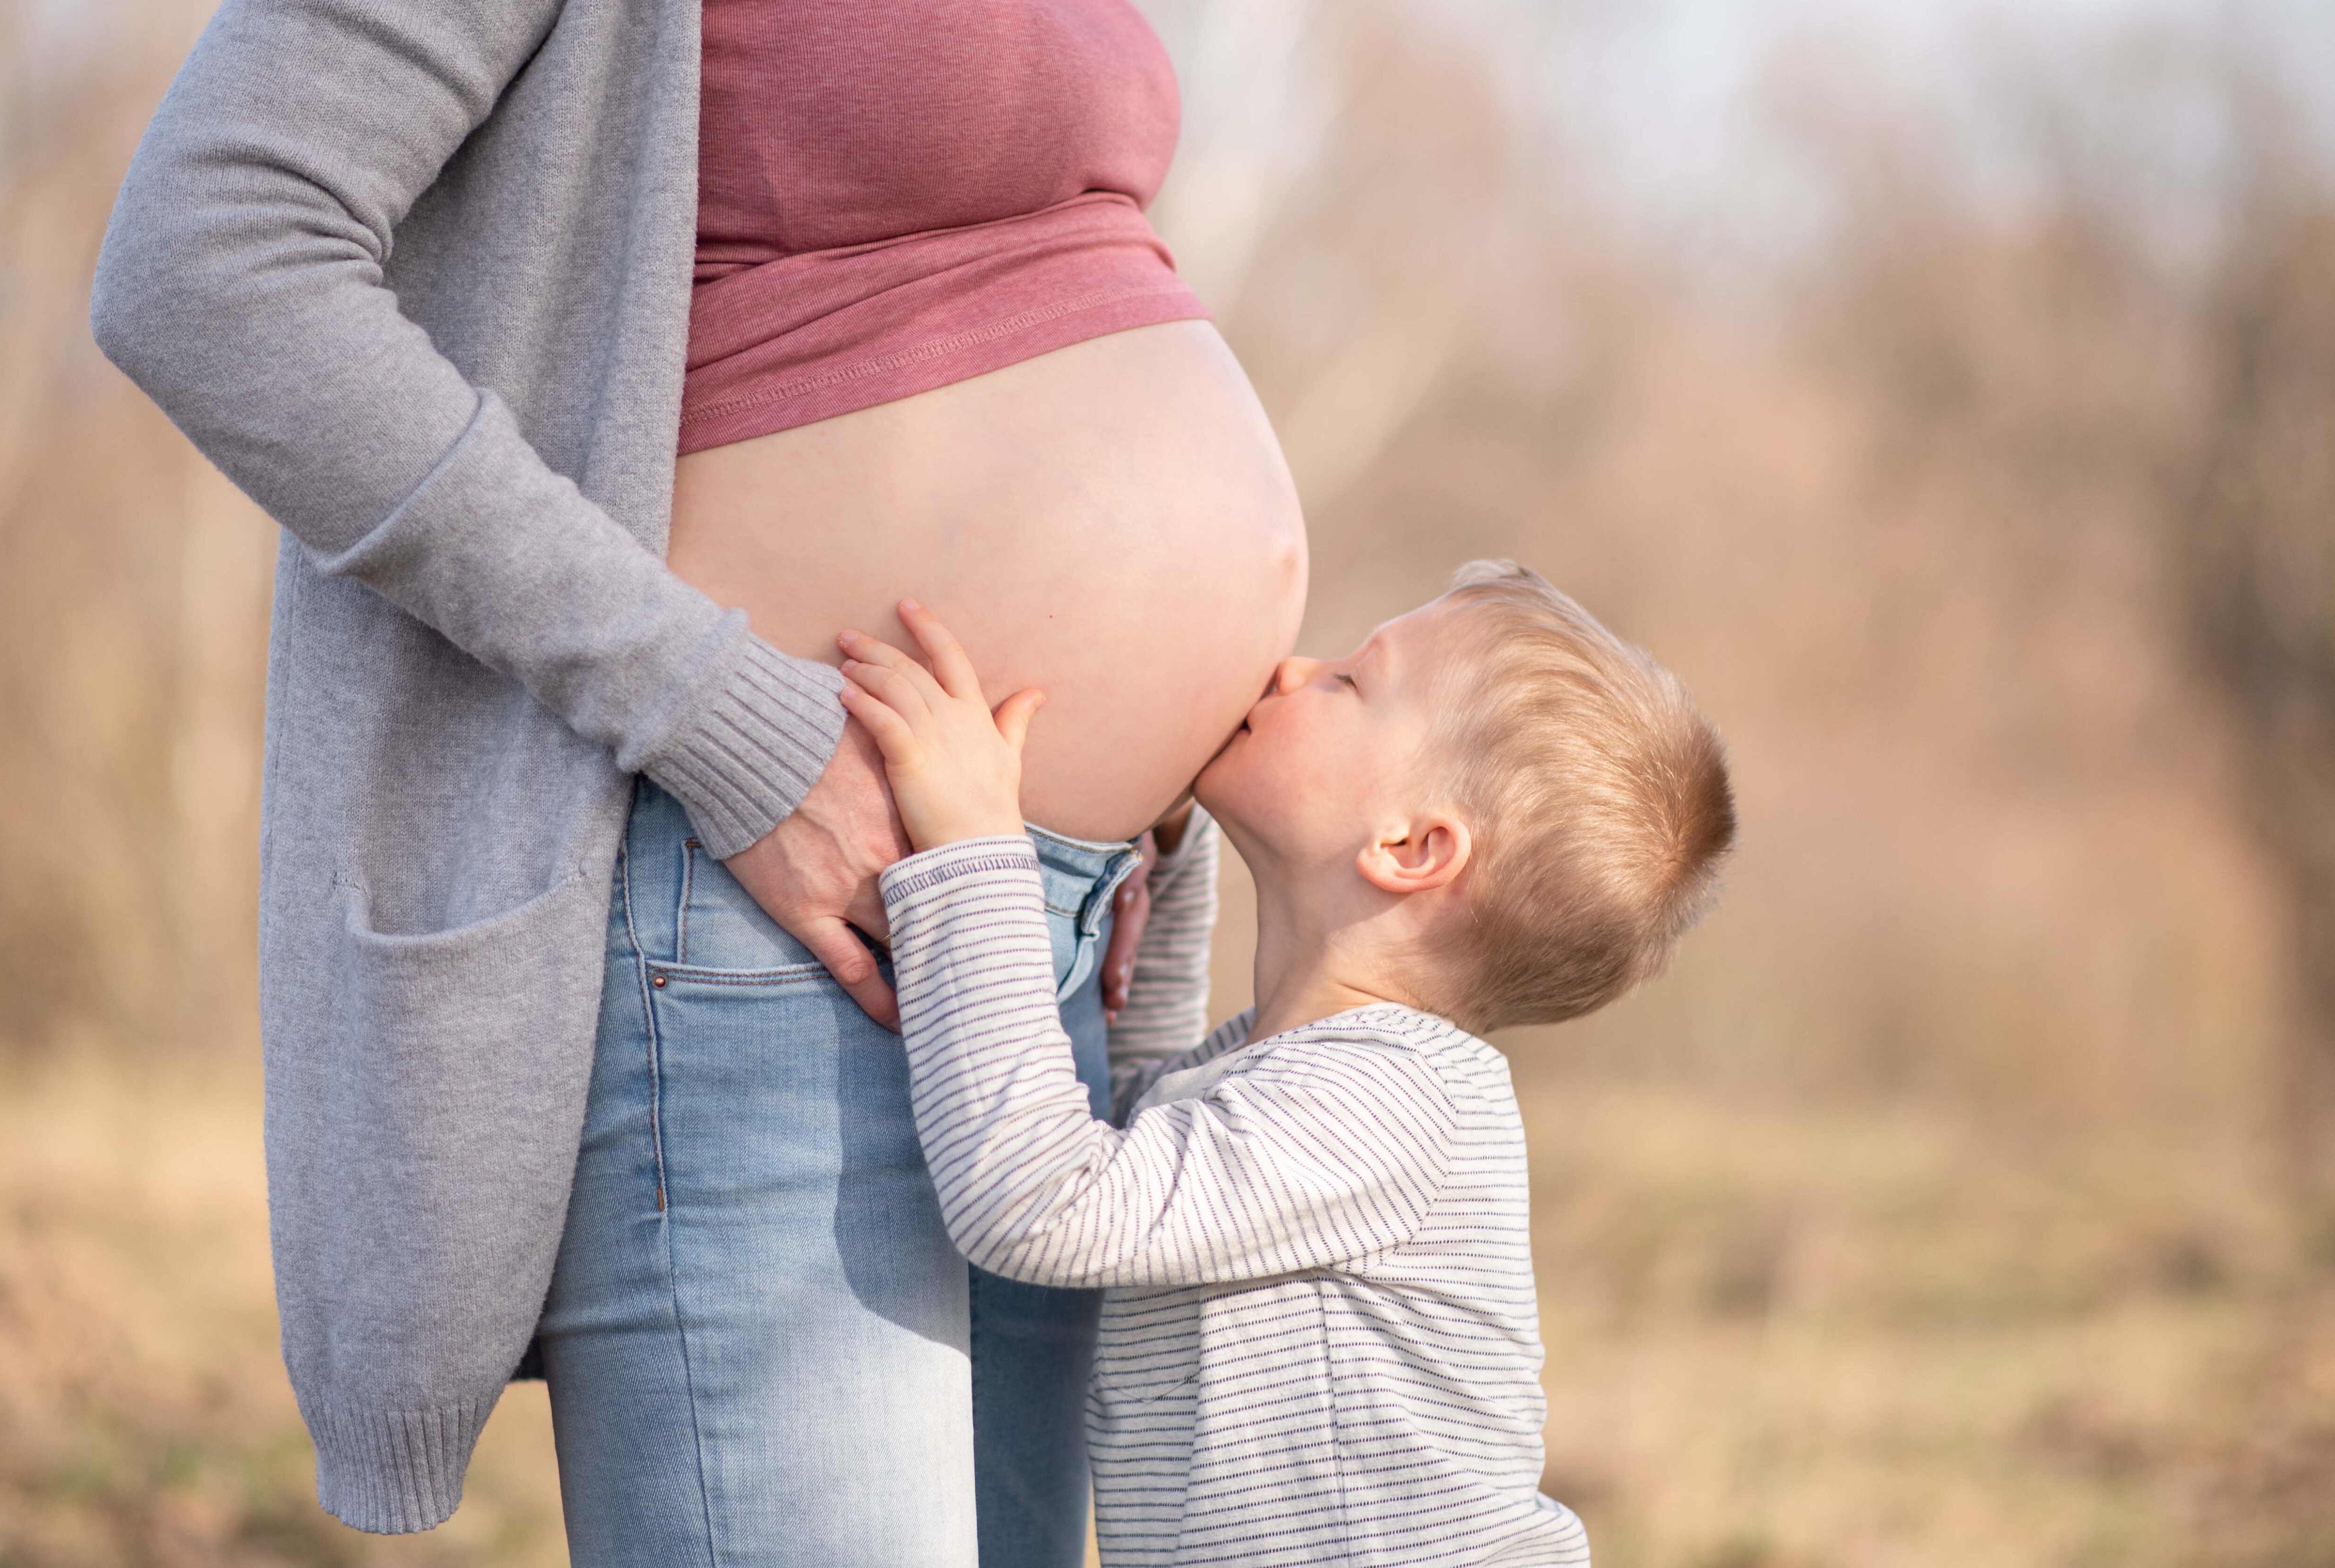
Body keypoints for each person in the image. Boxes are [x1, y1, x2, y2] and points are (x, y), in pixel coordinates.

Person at [90, 0, 1303, 1562]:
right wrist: (717, 715)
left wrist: (1138, 762)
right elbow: (209, 259)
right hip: (763, 917)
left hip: (1019, 924)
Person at [839, 563, 1738, 1566]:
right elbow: (1143, 1123)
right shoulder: (1328, 1073)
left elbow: (1043, 1199)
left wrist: (972, 852)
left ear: (1409, 845)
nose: (1295, 667)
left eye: (1350, 682)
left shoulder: (1392, 1101)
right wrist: (1162, 869)